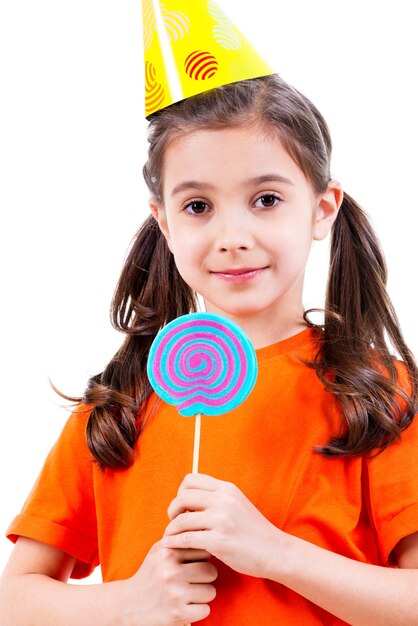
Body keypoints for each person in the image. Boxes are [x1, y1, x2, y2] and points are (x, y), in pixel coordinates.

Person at [1, 73, 418, 625]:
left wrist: (276, 553)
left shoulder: (380, 396)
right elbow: (15, 600)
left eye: (265, 199)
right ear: (164, 222)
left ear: (322, 209)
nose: (232, 236)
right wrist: (127, 603)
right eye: (198, 206)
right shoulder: (120, 405)